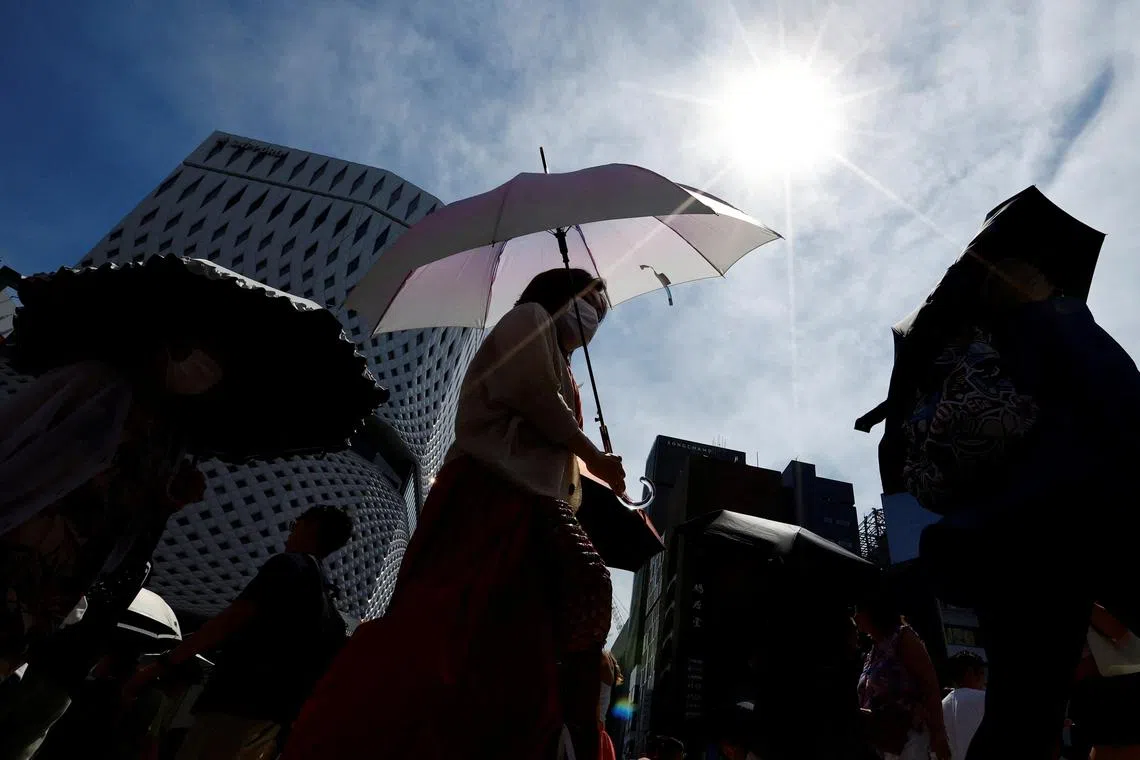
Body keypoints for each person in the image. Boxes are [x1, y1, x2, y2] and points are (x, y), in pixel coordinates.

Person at [281, 269, 625, 760]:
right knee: (454, 619)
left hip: (525, 504)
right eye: (592, 302)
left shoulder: (565, 364)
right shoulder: (528, 320)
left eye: (602, 314)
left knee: (499, 632)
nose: (594, 318)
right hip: (490, 496)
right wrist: (593, 455)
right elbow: (534, 397)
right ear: (562, 293)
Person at [916, 259, 1140, 759]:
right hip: (1092, 511)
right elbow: (1123, 394)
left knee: (1020, 716)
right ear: (1024, 279)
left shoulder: (958, 354)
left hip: (1001, 545)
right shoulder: (1055, 320)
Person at [0, 344, 216, 675]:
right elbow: (20, 443)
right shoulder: (95, 383)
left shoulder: (168, 437)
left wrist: (168, 501)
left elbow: (127, 520)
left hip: (59, 576)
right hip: (23, 539)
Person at [126, 505, 352, 760]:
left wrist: (162, 664)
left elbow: (227, 623)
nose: (290, 533)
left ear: (311, 526)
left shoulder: (289, 566)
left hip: (237, 701)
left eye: (295, 524)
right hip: (272, 718)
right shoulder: (326, 598)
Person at [855, 588, 950, 760]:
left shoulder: (903, 637)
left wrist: (939, 733)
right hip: (884, 743)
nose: (855, 618)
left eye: (859, 611)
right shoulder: (872, 653)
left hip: (909, 738)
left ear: (873, 612)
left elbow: (929, 685)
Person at [941, 652, 987, 760]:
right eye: (982, 674)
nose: (984, 681)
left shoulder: (942, 705)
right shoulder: (983, 698)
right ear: (970, 673)